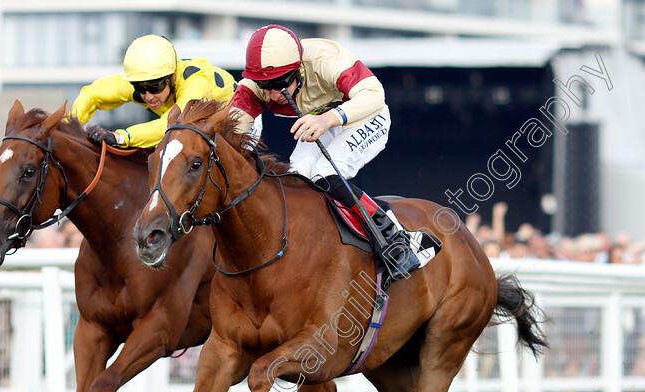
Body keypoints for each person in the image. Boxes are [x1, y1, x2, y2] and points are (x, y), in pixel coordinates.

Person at [228, 24, 429, 283]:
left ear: (298, 69)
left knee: (325, 173)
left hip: (364, 115)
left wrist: (329, 119)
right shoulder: (255, 85)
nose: (273, 94)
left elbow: (374, 94)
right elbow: (230, 132)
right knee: (298, 179)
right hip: (322, 119)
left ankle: (396, 239)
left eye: (279, 84)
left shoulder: (324, 58)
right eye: (264, 85)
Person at [70, 35, 237, 149]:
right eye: (140, 87)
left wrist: (120, 137)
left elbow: (174, 123)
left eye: (155, 86)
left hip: (236, 121)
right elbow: (91, 94)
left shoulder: (196, 82)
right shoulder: (144, 82)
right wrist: (65, 127)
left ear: (172, 76)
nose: (148, 96)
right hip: (196, 127)